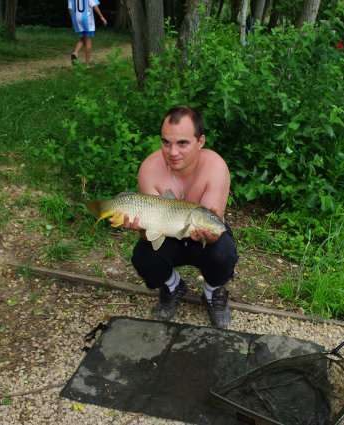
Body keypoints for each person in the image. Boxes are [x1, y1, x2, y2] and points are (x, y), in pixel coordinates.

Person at [112, 106, 238, 328]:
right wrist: (140, 229)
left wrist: (210, 235)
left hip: (202, 238)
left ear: (200, 141)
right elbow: (150, 231)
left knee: (223, 253)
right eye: (166, 142)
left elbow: (213, 224)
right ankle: (172, 286)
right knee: (144, 256)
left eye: (182, 143)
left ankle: (212, 292)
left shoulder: (215, 167)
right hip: (167, 233)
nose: (172, 152)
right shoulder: (149, 169)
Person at [67, 0, 107, 67]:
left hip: (77, 19)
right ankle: (87, 64)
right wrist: (101, 16)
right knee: (88, 40)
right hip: (87, 19)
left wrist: (73, 21)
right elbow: (94, 5)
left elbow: (70, 8)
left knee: (82, 39)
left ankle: (75, 53)